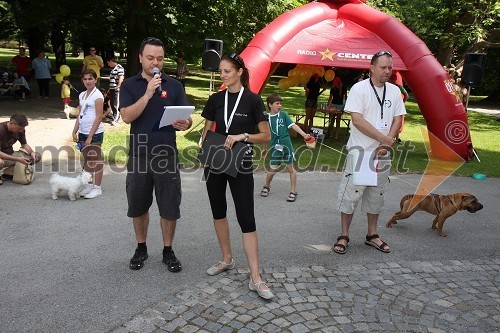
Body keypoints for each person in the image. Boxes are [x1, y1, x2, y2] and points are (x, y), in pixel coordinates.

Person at [200, 53, 274, 299]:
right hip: (215, 161)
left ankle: (255, 277)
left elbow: (266, 136)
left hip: (240, 162)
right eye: (220, 71)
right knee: (218, 211)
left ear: (239, 72)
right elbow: (207, 128)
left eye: (227, 71)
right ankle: (227, 259)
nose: (222, 75)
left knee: (246, 218)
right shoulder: (215, 98)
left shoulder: (253, 100)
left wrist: (243, 136)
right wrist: (204, 153)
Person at [119, 37, 192, 272]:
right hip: (140, 154)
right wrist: (148, 93)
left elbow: (187, 117)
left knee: (170, 206)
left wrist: (186, 123)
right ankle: (141, 247)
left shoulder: (175, 85)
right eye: (150, 58)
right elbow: (127, 116)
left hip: (166, 153)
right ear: (140, 57)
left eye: (159, 58)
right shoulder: (130, 85)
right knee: (138, 205)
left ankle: (168, 250)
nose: (155, 63)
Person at [333, 50, 406, 255]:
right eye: (383, 67)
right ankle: (344, 234)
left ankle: (372, 235)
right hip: (361, 153)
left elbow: (398, 118)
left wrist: (387, 144)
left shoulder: (393, 91)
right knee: (351, 195)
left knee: (377, 196)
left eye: (390, 67)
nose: (387, 71)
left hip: (382, 154)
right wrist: (383, 139)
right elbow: (357, 120)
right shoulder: (359, 89)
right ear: (372, 68)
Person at [260, 93, 311, 203]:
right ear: (270, 105)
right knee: (273, 169)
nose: (280, 106)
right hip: (274, 147)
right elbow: (265, 135)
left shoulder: (283, 115)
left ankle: (293, 191)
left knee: (290, 169)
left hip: (287, 146)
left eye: (281, 104)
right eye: (277, 103)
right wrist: (265, 148)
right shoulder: (266, 119)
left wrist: (304, 135)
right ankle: (267, 186)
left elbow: (293, 126)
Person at [71, 69, 105, 199]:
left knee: (95, 160)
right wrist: (75, 130)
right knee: (87, 160)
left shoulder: (98, 96)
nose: (87, 81)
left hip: (94, 133)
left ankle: (97, 187)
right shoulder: (82, 95)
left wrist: (90, 136)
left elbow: (99, 117)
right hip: (83, 132)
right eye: (85, 79)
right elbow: (80, 114)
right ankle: (89, 184)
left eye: (90, 79)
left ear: (95, 80)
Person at [0, 114, 42, 184]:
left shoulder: (21, 130)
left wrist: (32, 153)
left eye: (22, 128)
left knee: (36, 157)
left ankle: (9, 173)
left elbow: (24, 144)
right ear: (11, 123)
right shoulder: (1, 129)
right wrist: (17, 159)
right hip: (1, 157)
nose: (21, 130)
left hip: (9, 155)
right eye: (19, 128)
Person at [389, 72, 409, 144]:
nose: (392, 80)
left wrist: (402, 103)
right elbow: (406, 95)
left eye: (393, 79)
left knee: (395, 122)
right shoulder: (398, 87)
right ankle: (396, 138)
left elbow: (406, 95)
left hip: (392, 107)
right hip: (392, 107)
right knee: (395, 122)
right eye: (392, 79)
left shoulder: (394, 87)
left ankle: (396, 138)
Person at [106, 57, 125, 124]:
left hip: (116, 88)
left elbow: (121, 77)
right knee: (111, 103)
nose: (108, 65)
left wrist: (119, 86)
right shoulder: (114, 69)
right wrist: (109, 89)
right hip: (112, 88)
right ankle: (114, 116)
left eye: (108, 63)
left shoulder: (119, 68)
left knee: (115, 104)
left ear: (111, 61)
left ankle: (116, 118)